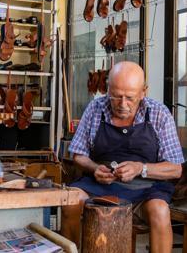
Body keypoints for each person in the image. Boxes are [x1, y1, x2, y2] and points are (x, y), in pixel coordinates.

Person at [61, 61, 184, 253]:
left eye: (130, 98)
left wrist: (140, 168)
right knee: (70, 201)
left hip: (147, 188)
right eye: (116, 97)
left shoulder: (159, 113)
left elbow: (176, 168)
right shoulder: (95, 109)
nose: (122, 104)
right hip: (101, 185)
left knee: (160, 211)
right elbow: (78, 154)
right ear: (108, 89)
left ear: (144, 91)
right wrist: (94, 169)